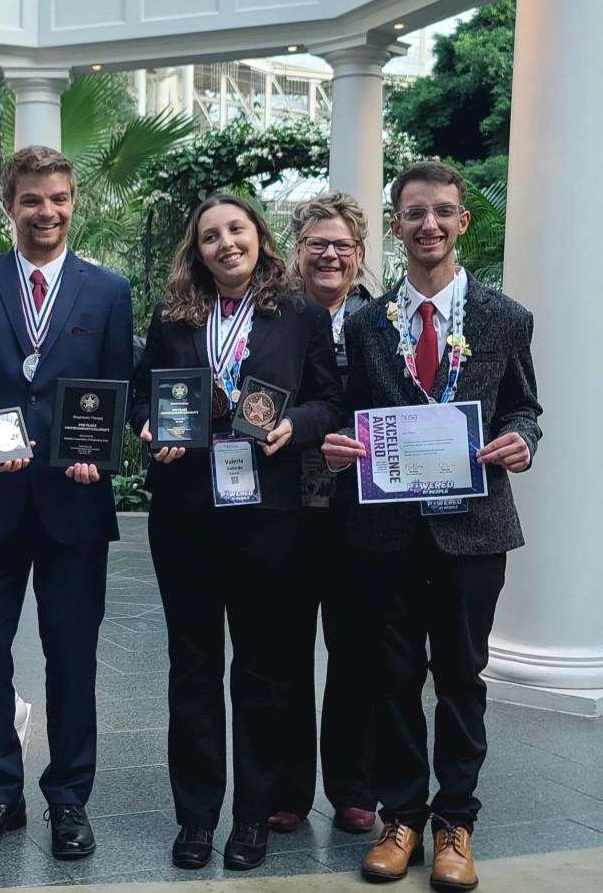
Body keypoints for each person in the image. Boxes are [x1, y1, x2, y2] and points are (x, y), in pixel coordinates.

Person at [322, 161, 541, 891]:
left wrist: (521, 439)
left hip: (471, 532)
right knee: (389, 678)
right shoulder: (363, 322)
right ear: (396, 224)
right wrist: (337, 441)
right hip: (385, 532)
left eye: (442, 212)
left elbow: (521, 406)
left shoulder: (503, 316)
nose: (429, 225)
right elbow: (346, 411)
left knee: (459, 677)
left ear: (461, 221)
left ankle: (455, 820)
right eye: (414, 213)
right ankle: (401, 815)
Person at [129, 194, 342, 871]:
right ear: (196, 250)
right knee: (191, 668)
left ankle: (251, 814)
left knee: (262, 669)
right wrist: (146, 427)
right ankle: (195, 816)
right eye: (210, 236)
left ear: (258, 236)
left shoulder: (300, 313)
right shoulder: (172, 316)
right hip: (186, 512)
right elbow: (142, 393)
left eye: (235, 230)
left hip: (266, 514)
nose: (225, 243)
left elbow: (331, 398)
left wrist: (296, 426)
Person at [0, 145, 133, 860]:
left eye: (58, 198)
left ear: (73, 200)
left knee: (72, 655)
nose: (45, 211)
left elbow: (116, 388)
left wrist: (95, 449)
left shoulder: (107, 290)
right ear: (7, 204)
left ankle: (68, 797)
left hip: (73, 503)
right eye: (31, 200)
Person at [268, 192, 377, 836]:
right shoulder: (271, 316)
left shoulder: (383, 321)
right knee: (282, 650)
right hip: (285, 508)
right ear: (297, 251)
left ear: (360, 254)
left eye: (342, 245)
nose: (329, 254)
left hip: (363, 516)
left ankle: (354, 787)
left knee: (357, 651)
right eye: (317, 243)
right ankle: (286, 788)